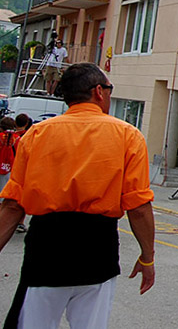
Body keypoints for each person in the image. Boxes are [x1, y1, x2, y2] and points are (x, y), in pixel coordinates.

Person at [0, 63, 155, 327]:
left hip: (45, 252)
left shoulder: (36, 135)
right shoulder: (128, 136)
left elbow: (13, 206)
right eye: (109, 90)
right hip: (97, 251)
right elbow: (138, 207)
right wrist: (147, 257)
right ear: (98, 91)